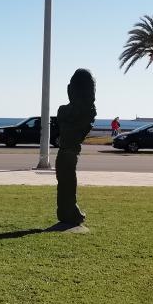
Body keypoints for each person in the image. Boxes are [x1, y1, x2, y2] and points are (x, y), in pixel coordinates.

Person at [55, 69, 97, 226]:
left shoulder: (66, 111)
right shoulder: (82, 112)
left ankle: (69, 211)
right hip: (68, 153)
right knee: (67, 182)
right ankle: (68, 211)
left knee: (66, 182)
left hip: (67, 153)